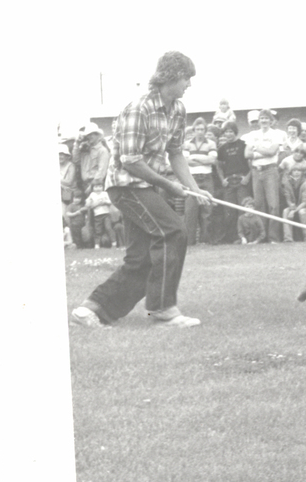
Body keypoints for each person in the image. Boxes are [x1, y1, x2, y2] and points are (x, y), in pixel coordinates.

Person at [71, 51, 212, 329]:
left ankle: (91, 310)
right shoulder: (138, 109)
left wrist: (195, 189)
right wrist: (170, 185)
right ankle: (162, 310)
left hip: (149, 186)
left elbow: (176, 153)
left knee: (143, 259)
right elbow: (130, 161)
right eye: (187, 78)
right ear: (170, 77)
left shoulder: (178, 110)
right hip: (127, 187)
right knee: (173, 231)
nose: (189, 85)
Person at [244, 108, 282, 243]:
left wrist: (256, 148)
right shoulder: (252, 135)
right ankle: (262, 236)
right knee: (259, 205)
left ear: (271, 121)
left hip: (270, 170)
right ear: (259, 121)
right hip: (256, 171)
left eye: (267, 118)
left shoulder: (276, 134)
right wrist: (261, 151)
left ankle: (273, 237)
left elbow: (272, 151)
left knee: (273, 205)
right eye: (262, 118)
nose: (264, 121)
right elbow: (247, 154)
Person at [216, 121, 251, 243]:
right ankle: (231, 238)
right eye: (226, 132)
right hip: (229, 181)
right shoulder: (222, 148)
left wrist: (247, 177)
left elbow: (251, 164)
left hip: (242, 180)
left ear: (235, 132)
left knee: (243, 209)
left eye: (231, 131)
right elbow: (219, 166)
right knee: (229, 211)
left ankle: (245, 237)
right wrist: (222, 179)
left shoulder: (243, 144)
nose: (228, 134)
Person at [183, 117, 218, 245]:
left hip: (207, 177)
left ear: (205, 130)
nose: (200, 131)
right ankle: (189, 242)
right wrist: (203, 158)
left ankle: (205, 241)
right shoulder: (187, 143)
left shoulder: (211, 143)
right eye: (197, 129)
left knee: (207, 210)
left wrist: (195, 158)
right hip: (192, 179)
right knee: (190, 211)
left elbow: (212, 160)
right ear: (194, 130)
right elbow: (186, 162)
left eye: (202, 129)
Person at [72, 122, 110, 195]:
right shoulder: (85, 150)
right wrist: (77, 143)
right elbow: (76, 160)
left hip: (96, 187)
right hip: (85, 185)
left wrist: (92, 186)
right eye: (87, 135)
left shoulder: (102, 150)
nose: (88, 137)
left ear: (97, 135)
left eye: (91, 134)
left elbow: (101, 171)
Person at [281, 166, 306, 242]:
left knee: (302, 212)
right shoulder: (287, 183)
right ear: (291, 172)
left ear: (302, 172)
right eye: (294, 170)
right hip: (295, 205)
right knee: (285, 211)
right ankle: (288, 238)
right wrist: (290, 205)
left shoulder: (305, 183)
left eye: (299, 170)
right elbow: (288, 198)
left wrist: (294, 211)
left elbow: (305, 201)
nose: (296, 172)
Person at [84, 180, 117, 248]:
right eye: (96, 187)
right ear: (92, 188)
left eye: (100, 186)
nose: (98, 188)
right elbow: (88, 204)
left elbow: (110, 201)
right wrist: (91, 203)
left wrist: (105, 202)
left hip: (106, 214)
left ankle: (114, 242)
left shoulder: (105, 193)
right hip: (97, 215)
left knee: (108, 228)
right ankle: (97, 244)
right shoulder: (92, 195)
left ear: (103, 187)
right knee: (98, 230)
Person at [59, 143, 78, 222]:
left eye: (62, 154)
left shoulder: (71, 166)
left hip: (69, 194)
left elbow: (70, 181)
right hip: (61, 192)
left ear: (67, 156)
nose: (60, 157)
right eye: (58, 154)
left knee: (67, 215)